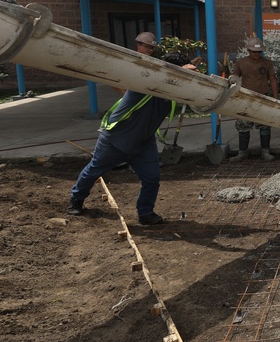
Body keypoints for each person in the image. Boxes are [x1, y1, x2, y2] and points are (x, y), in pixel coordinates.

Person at [65, 51, 196, 226]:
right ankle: (76, 200)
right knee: (94, 170)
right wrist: (179, 72)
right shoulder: (143, 84)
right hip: (115, 140)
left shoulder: (173, 93)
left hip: (143, 144)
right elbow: (160, 78)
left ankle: (145, 213)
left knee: (152, 178)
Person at [231, 37, 279, 161]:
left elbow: (273, 79)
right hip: (245, 98)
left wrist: (275, 98)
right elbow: (235, 77)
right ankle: (243, 152)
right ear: (248, 51)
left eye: (259, 52)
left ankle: (265, 151)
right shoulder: (241, 63)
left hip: (263, 96)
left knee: (264, 125)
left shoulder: (267, 63)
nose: (257, 54)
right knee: (243, 125)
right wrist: (231, 80)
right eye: (254, 52)